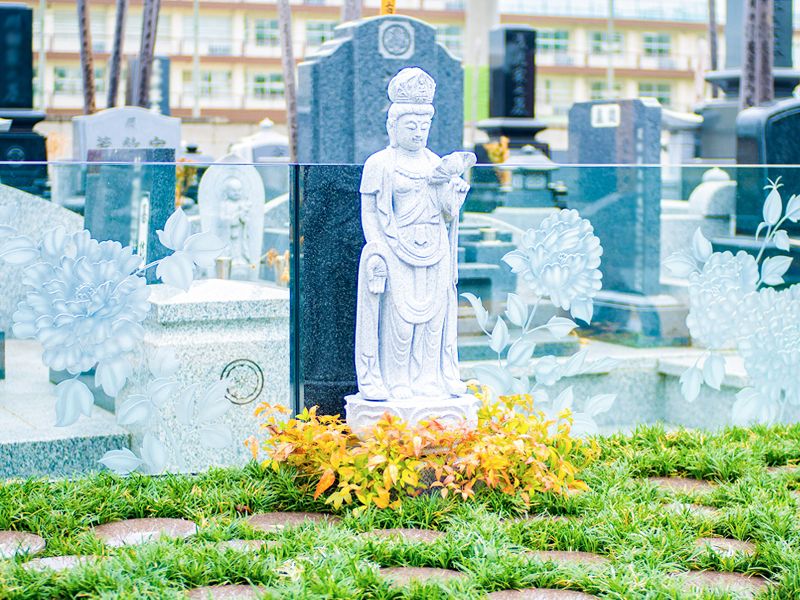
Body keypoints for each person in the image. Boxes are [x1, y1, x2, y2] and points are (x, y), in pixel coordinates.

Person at [355, 67, 475, 401]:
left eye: (424, 126)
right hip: (397, 247)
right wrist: (377, 249)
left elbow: (446, 212)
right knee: (401, 320)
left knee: (433, 320)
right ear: (393, 126)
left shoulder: (434, 161)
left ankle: (428, 377)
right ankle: (397, 379)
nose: (419, 132)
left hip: (434, 246)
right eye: (411, 125)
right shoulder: (380, 163)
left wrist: (455, 197)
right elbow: (371, 212)